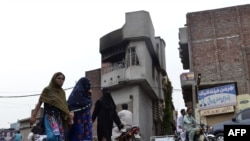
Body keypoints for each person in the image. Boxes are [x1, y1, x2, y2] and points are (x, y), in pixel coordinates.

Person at [29, 72, 74, 141]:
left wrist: (70, 119)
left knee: (61, 138)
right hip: (50, 116)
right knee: (53, 136)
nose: (61, 80)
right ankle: (40, 138)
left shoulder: (62, 93)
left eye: (63, 79)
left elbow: (64, 107)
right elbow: (39, 102)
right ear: (54, 79)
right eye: (59, 78)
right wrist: (33, 116)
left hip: (59, 118)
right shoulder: (47, 90)